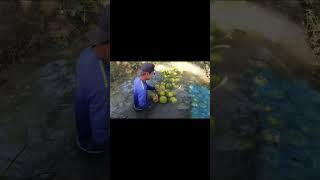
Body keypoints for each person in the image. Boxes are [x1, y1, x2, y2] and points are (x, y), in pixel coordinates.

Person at [74, 6, 110, 154]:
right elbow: (101, 125)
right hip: (94, 142)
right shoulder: (104, 86)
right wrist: (102, 142)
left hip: (83, 129)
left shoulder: (86, 54)